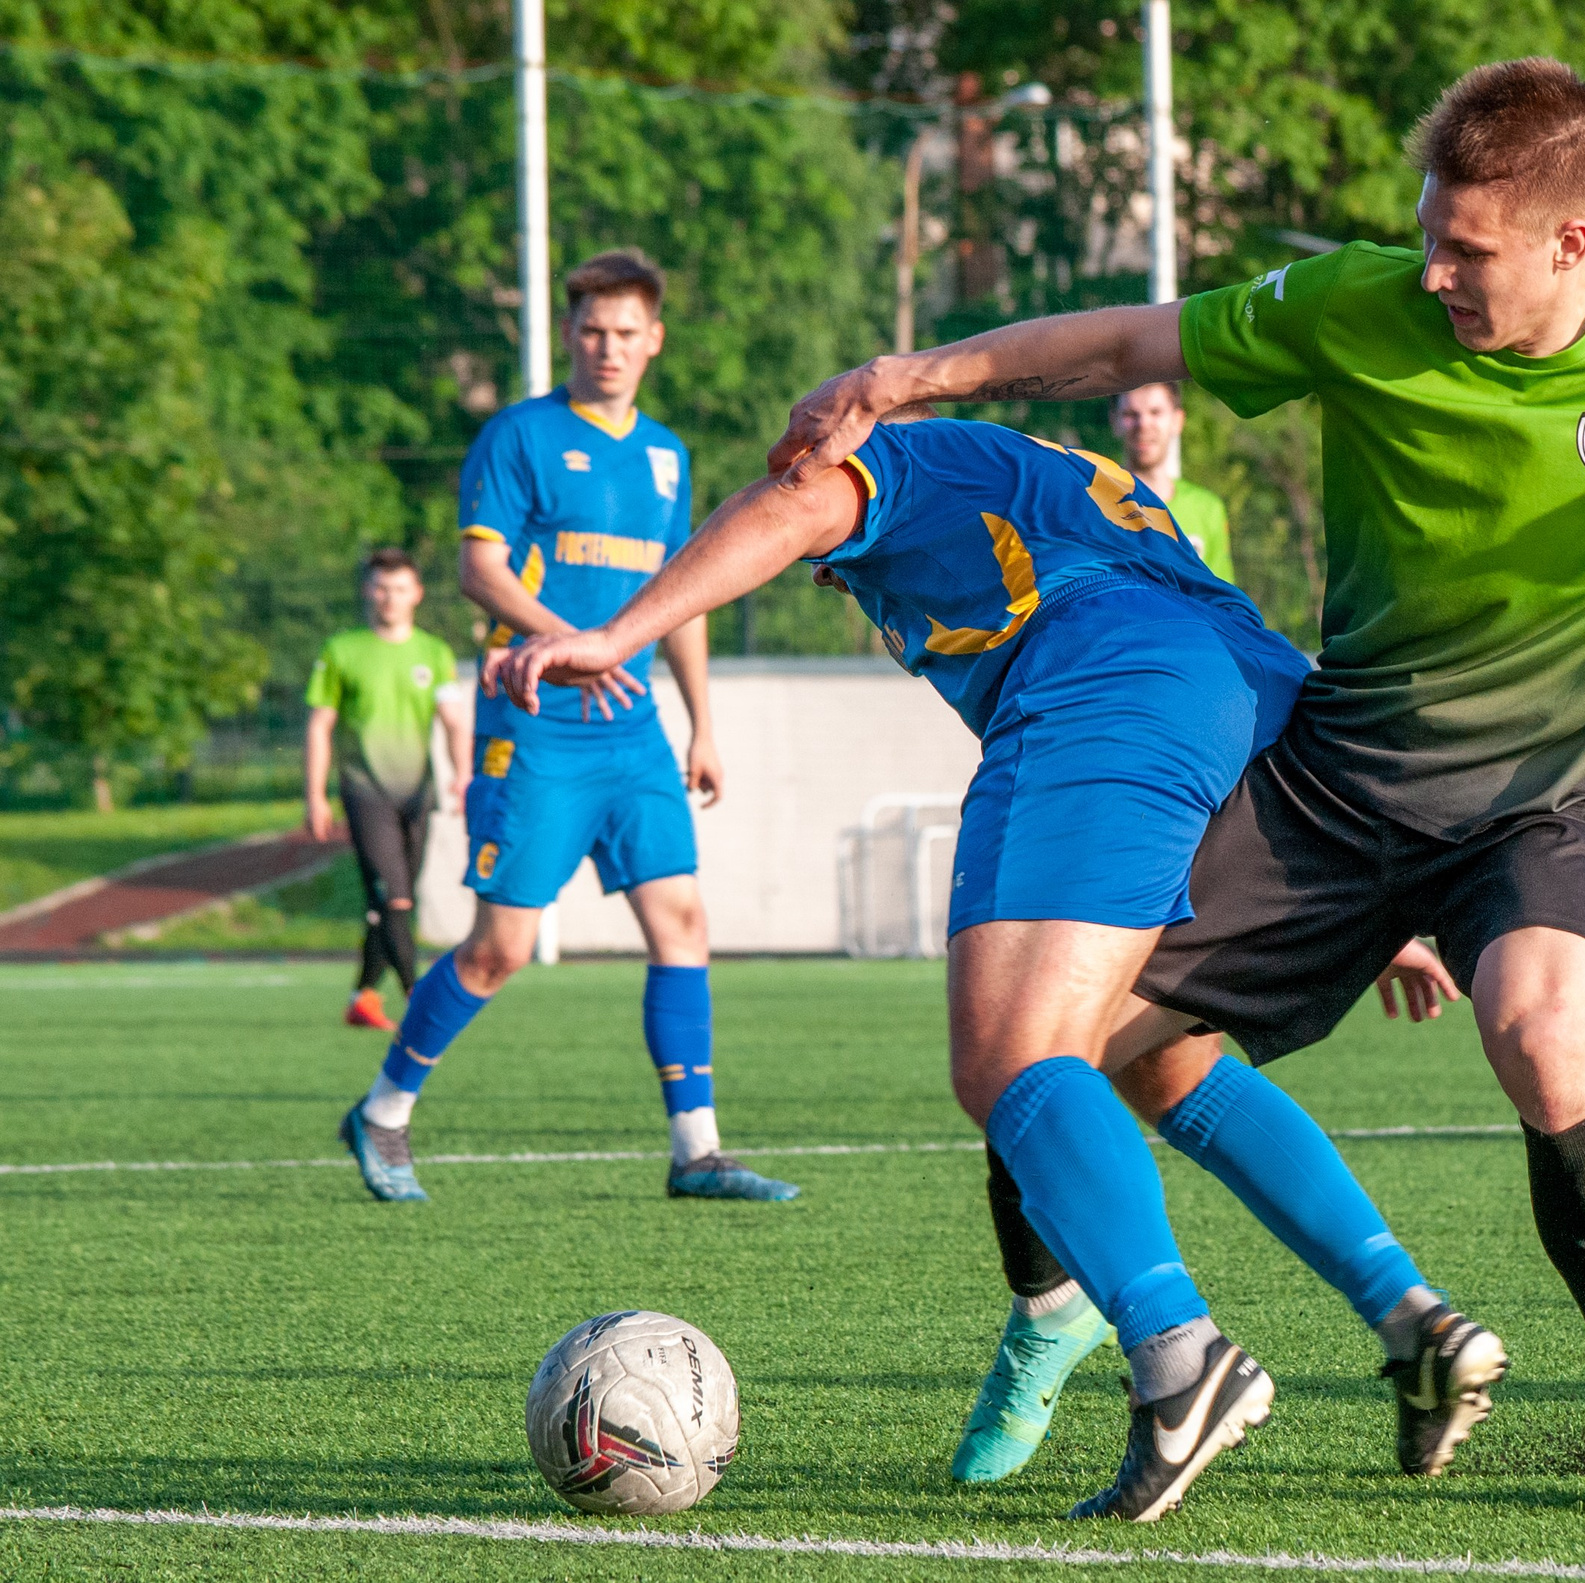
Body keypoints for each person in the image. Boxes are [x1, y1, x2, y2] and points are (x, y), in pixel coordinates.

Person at [766, 57, 1585, 1517]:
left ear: (1569, 245)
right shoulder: (1366, 307)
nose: (1435, 271)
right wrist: (913, 376)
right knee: (1046, 1046)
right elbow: (1130, 343)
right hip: (1338, 781)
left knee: (1542, 1040)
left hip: (1541, 800)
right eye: (1428, 234)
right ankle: (1053, 1314)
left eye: (1464, 249)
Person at [494, 412, 1509, 1521]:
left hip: (1103, 683)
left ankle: (1180, 1358)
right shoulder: (1058, 481)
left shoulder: (897, 459)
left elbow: (792, 505)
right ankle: (1415, 1324)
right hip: (1250, 699)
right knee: (1162, 1059)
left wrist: (617, 633)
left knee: (1008, 1057)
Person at [337, 248, 797, 1206]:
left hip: (633, 729)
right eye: (592, 330)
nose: (609, 348)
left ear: (655, 339)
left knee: (681, 922)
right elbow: (481, 572)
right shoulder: (521, 436)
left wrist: (702, 722)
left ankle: (697, 1149)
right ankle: (383, 1111)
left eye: (627, 332)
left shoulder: (667, 454)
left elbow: (687, 596)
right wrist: (578, 643)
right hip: (536, 722)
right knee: (499, 947)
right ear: (569, 334)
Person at [303, 547, 472, 1031]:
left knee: (391, 904)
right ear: (367, 591)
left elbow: (454, 722)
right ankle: (421, 1001)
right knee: (395, 900)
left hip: (417, 792)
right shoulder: (342, 650)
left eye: (399, 588)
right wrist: (314, 795)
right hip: (365, 790)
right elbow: (320, 726)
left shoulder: (434, 653)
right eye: (381, 587)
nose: (389, 598)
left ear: (416, 593)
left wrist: (463, 773)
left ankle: (362, 998)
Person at [1111, 383, 1232, 580]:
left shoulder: (1207, 509)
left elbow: (1221, 601)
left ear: (1177, 420)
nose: (1143, 424)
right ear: (1114, 420)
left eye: (1156, 412)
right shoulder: (1091, 505)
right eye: (1131, 414)